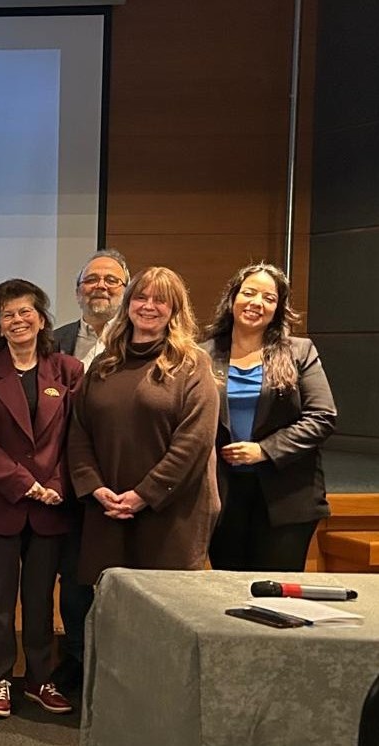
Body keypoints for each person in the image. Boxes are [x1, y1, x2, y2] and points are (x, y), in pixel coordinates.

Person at [0, 279, 82, 719]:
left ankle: (39, 679)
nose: (17, 320)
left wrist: (58, 484)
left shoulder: (68, 370)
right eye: (7, 314)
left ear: (42, 319)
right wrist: (23, 483)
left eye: (25, 311)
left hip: (52, 503)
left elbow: (78, 437)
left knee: (40, 599)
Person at [68, 266, 220, 581]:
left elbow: (195, 442)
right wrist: (94, 487)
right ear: (128, 304)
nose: (148, 306)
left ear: (175, 309)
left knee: (164, 606)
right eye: (141, 297)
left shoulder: (192, 365)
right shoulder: (104, 364)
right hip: (108, 510)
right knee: (111, 602)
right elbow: (79, 432)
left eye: (160, 300)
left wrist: (145, 495)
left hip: (170, 514)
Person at [201, 263, 336, 571]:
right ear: (232, 298)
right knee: (226, 591)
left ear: (278, 308)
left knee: (275, 592)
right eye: (249, 293)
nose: (257, 303)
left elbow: (322, 416)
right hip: (223, 494)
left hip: (287, 496)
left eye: (269, 298)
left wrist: (264, 450)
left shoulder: (299, 351)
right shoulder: (202, 354)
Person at [49, 248, 129, 692]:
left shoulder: (143, 340)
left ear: (127, 290)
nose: (100, 287)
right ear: (78, 290)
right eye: (91, 280)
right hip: (67, 481)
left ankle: (120, 666)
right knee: (74, 575)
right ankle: (78, 659)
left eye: (111, 280)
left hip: (124, 481)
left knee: (122, 579)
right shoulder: (54, 340)